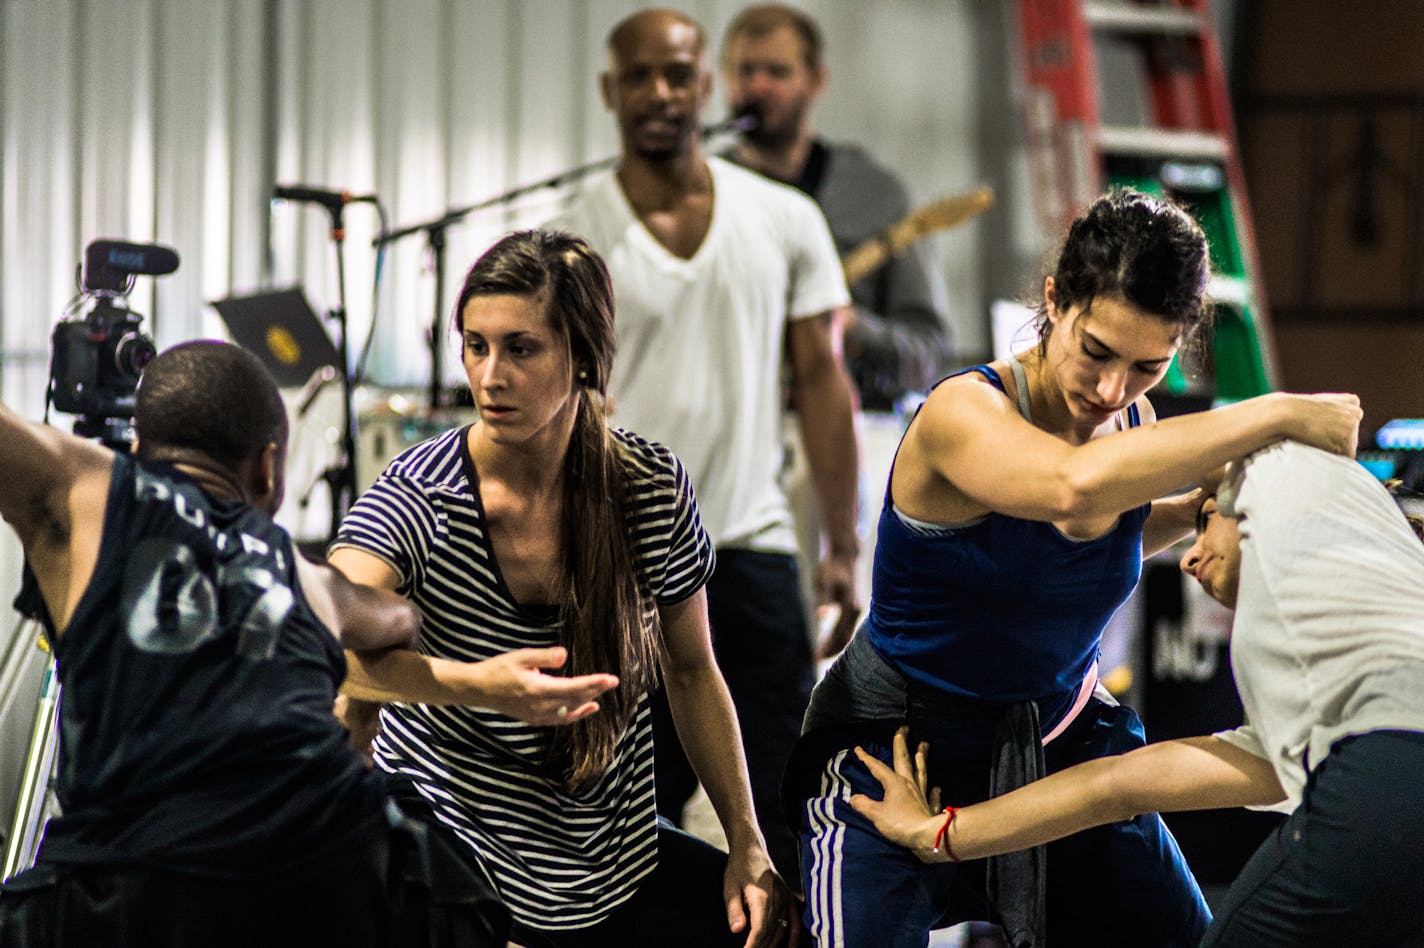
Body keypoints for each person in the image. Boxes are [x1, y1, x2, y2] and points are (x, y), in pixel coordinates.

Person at [786, 188, 1364, 947]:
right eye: (1095, 352)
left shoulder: (1133, 422)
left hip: (1060, 737)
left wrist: (1191, 513)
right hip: (899, 749)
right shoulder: (964, 414)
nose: (1111, 389)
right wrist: (1280, 411)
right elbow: (1069, 490)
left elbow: (1094, 535)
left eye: (1147, 367)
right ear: (1055, 300)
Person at [327, 229, 795, 947]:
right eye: (474, 345)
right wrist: (481, 686)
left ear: (582, 357)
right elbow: (340, 645)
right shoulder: (421, 494)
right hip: (455, 854)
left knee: (781, 925)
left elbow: (694, 669)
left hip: (610, 861)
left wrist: (746, 840)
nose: (489, 375)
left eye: (520, 347)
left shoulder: (650, 488)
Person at [0, 340, 521, 947]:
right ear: (269, 469)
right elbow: (396, 618)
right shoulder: (304, 579)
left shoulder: (90, 487)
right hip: (329, 860)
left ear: (140, 451)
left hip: (138, 879)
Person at [852, 440, 1424, 947]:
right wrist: (939, 834)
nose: (1191, 557)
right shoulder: (1310, 728)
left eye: (1204, 522)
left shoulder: (1296, 479)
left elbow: (1124, 466)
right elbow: (1115, 786)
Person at [549, 8, 861, 884]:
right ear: (611, 92)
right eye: (640, 77)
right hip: (621, 564)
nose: (660, 94)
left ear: (705, 86)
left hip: (750, 550)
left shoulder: (785, 217)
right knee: (620, 838)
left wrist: (842, 544)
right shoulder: (571, 240)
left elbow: (825, 383)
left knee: (782, 823)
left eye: (678, 75)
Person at [721, 3, 952, 411]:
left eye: (777, 72)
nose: (757, 87)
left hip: (849, 429)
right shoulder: (702, 192)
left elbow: (931, 354)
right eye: (744, 71)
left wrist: (857, 332)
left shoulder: (877, 196)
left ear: (816, 81)